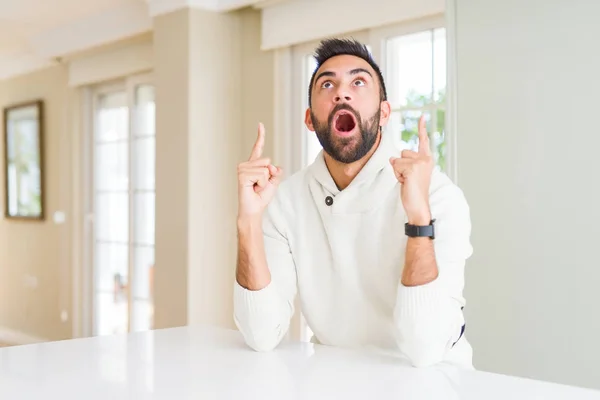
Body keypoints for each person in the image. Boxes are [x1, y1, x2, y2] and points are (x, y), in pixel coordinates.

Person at [233, 38, 474, 368]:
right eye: (327, 83)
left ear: (384, 112)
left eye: (358, 82)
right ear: (309, 118)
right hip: (333, 377)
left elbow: (425, 349)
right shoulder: (285, 201)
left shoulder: (437, 196)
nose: (341, 93)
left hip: (431, 382)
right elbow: (260, 335)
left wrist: (419, 218)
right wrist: (248, 222)